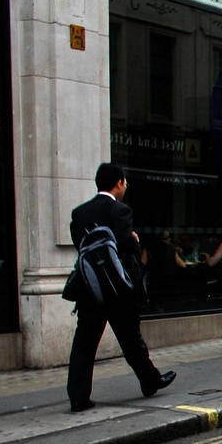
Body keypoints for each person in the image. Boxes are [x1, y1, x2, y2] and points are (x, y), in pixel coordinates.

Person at [66, 163, 175, 412]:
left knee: (84, 343)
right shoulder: (120, 211)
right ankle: (150, 381)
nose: (125, 187)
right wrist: (134, 241)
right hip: (117, 288)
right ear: (119, 182)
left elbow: (79, 246)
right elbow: (126, 246)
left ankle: (78, 397)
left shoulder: (80, 213)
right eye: (125, 182)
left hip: (90, 287)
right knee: (130, 339)